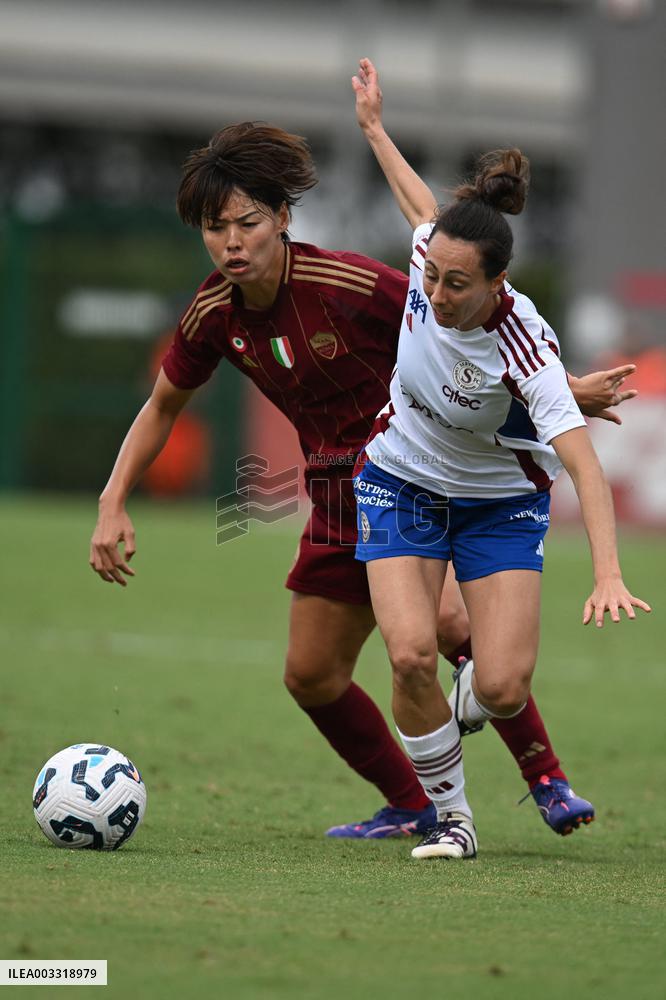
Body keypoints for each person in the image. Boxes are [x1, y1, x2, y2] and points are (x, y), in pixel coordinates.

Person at [89, 119, 637, 840]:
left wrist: (565, 390)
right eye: (214, 227)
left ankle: (544, 776)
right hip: (333, 498)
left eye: (247, 223)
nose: (231, 242)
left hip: (417, 480)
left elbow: (459, 324)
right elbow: (163, 405)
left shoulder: (349, 284)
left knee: (444, 629)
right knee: (311, 674)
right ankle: (413, 805)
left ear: (283, 220)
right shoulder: (213, 313)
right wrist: (112, 499)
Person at [351, 58, 651, 858]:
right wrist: (377, 129)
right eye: (432, 276)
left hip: (495, 504)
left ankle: (494, 721)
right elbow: (422, 206)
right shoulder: (431, 257)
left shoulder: (527, 346)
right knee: (411, 653)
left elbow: (584, 467)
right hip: (399, 480)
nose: (437, 295)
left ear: (498, 283)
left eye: (456, 285)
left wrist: (609, 572)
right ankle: (454, 821)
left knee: (500, 686)